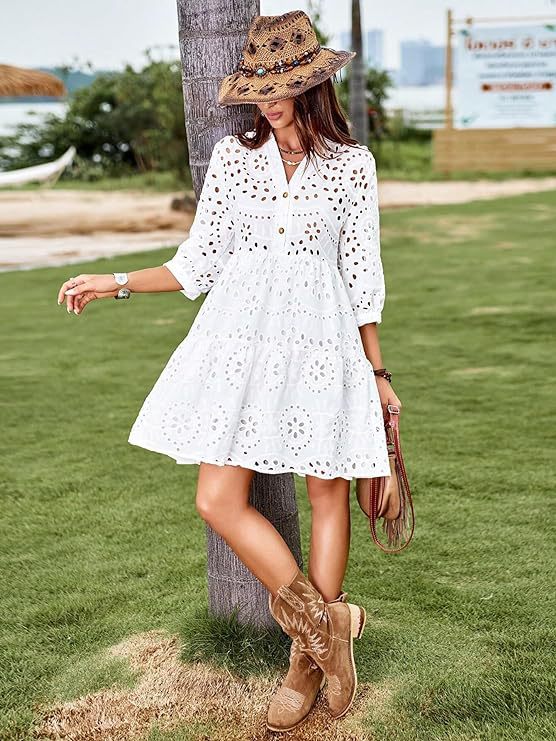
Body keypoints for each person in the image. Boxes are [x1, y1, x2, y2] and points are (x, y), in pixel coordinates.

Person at [57, 9, 402, 733]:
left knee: (327, 491)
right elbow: (197, 263)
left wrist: (380, 374)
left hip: (324, 342)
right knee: (216, 497)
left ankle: (304, 663)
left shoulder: (352, 167)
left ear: (311, 87)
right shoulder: (234, 161)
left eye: (281, 89)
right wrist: (114, 281)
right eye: (258, 90)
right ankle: (328, 628)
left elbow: (362, 275)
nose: (268, 102)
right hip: (241, 345)